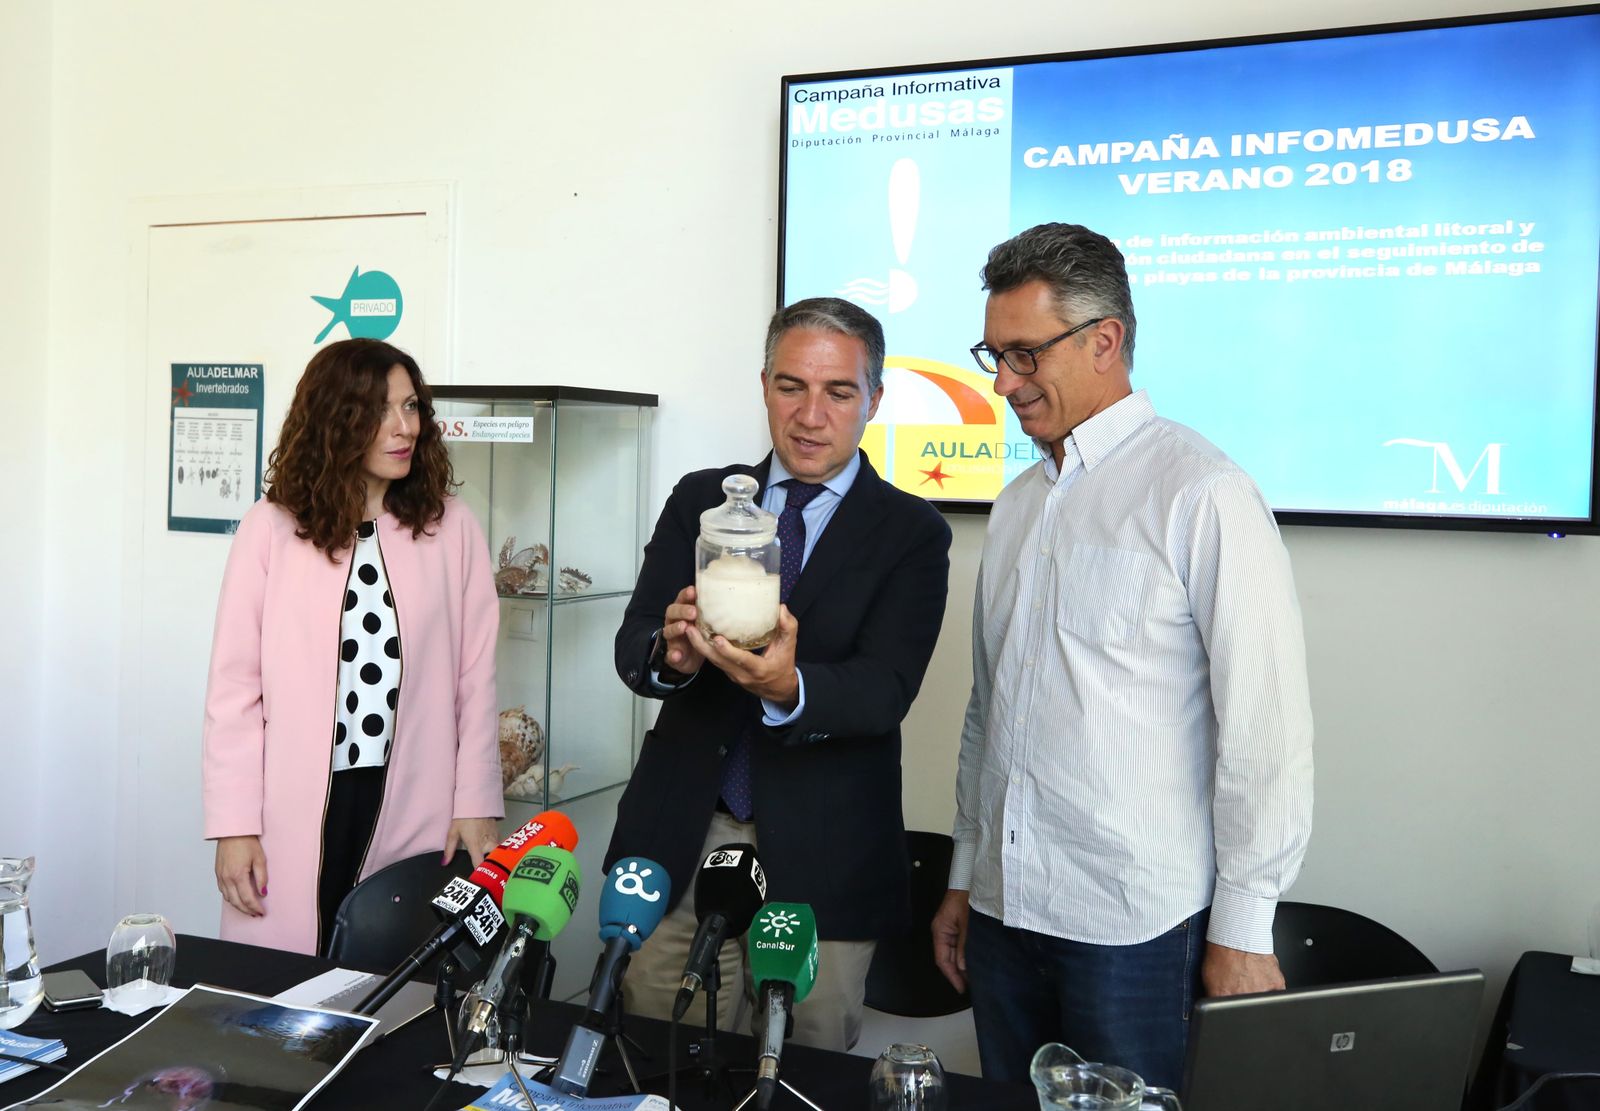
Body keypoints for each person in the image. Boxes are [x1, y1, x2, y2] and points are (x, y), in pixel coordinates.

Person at [931, 223, 1314, 1089]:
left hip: (1132, 927)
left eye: (1024, 355)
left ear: (1105, 340)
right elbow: (989, 710)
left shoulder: (1202, 493)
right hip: (1001, 912)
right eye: (993, 355)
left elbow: (1266, 728)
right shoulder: (1020, 502)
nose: (1002, 383)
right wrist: (964, 873)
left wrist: (1244, 929)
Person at [606, 297, 952, 1051]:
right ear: (764, 384)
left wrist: (789, 690)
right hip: (680, 839)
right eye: (791, 385)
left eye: (839, 392)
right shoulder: (703, 498)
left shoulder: (910, 532)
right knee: (654, 1052)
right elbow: (632, 640)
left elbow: (885, 688)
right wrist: (669, 656)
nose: (811, 415)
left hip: (826, 859)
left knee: (798, 1069)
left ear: (875, 400)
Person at [202, 338, 503, 956]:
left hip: (414, 798)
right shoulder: (272, 527)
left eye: (412, 407)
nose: (404, 428)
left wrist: (476, 799)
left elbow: (476, 679)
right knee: (283, 988)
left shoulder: (452, 527)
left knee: (393, 981)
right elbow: (234, 690)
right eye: (380, 412)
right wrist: (233, 826)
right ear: (336, 422)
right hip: (295, 803)